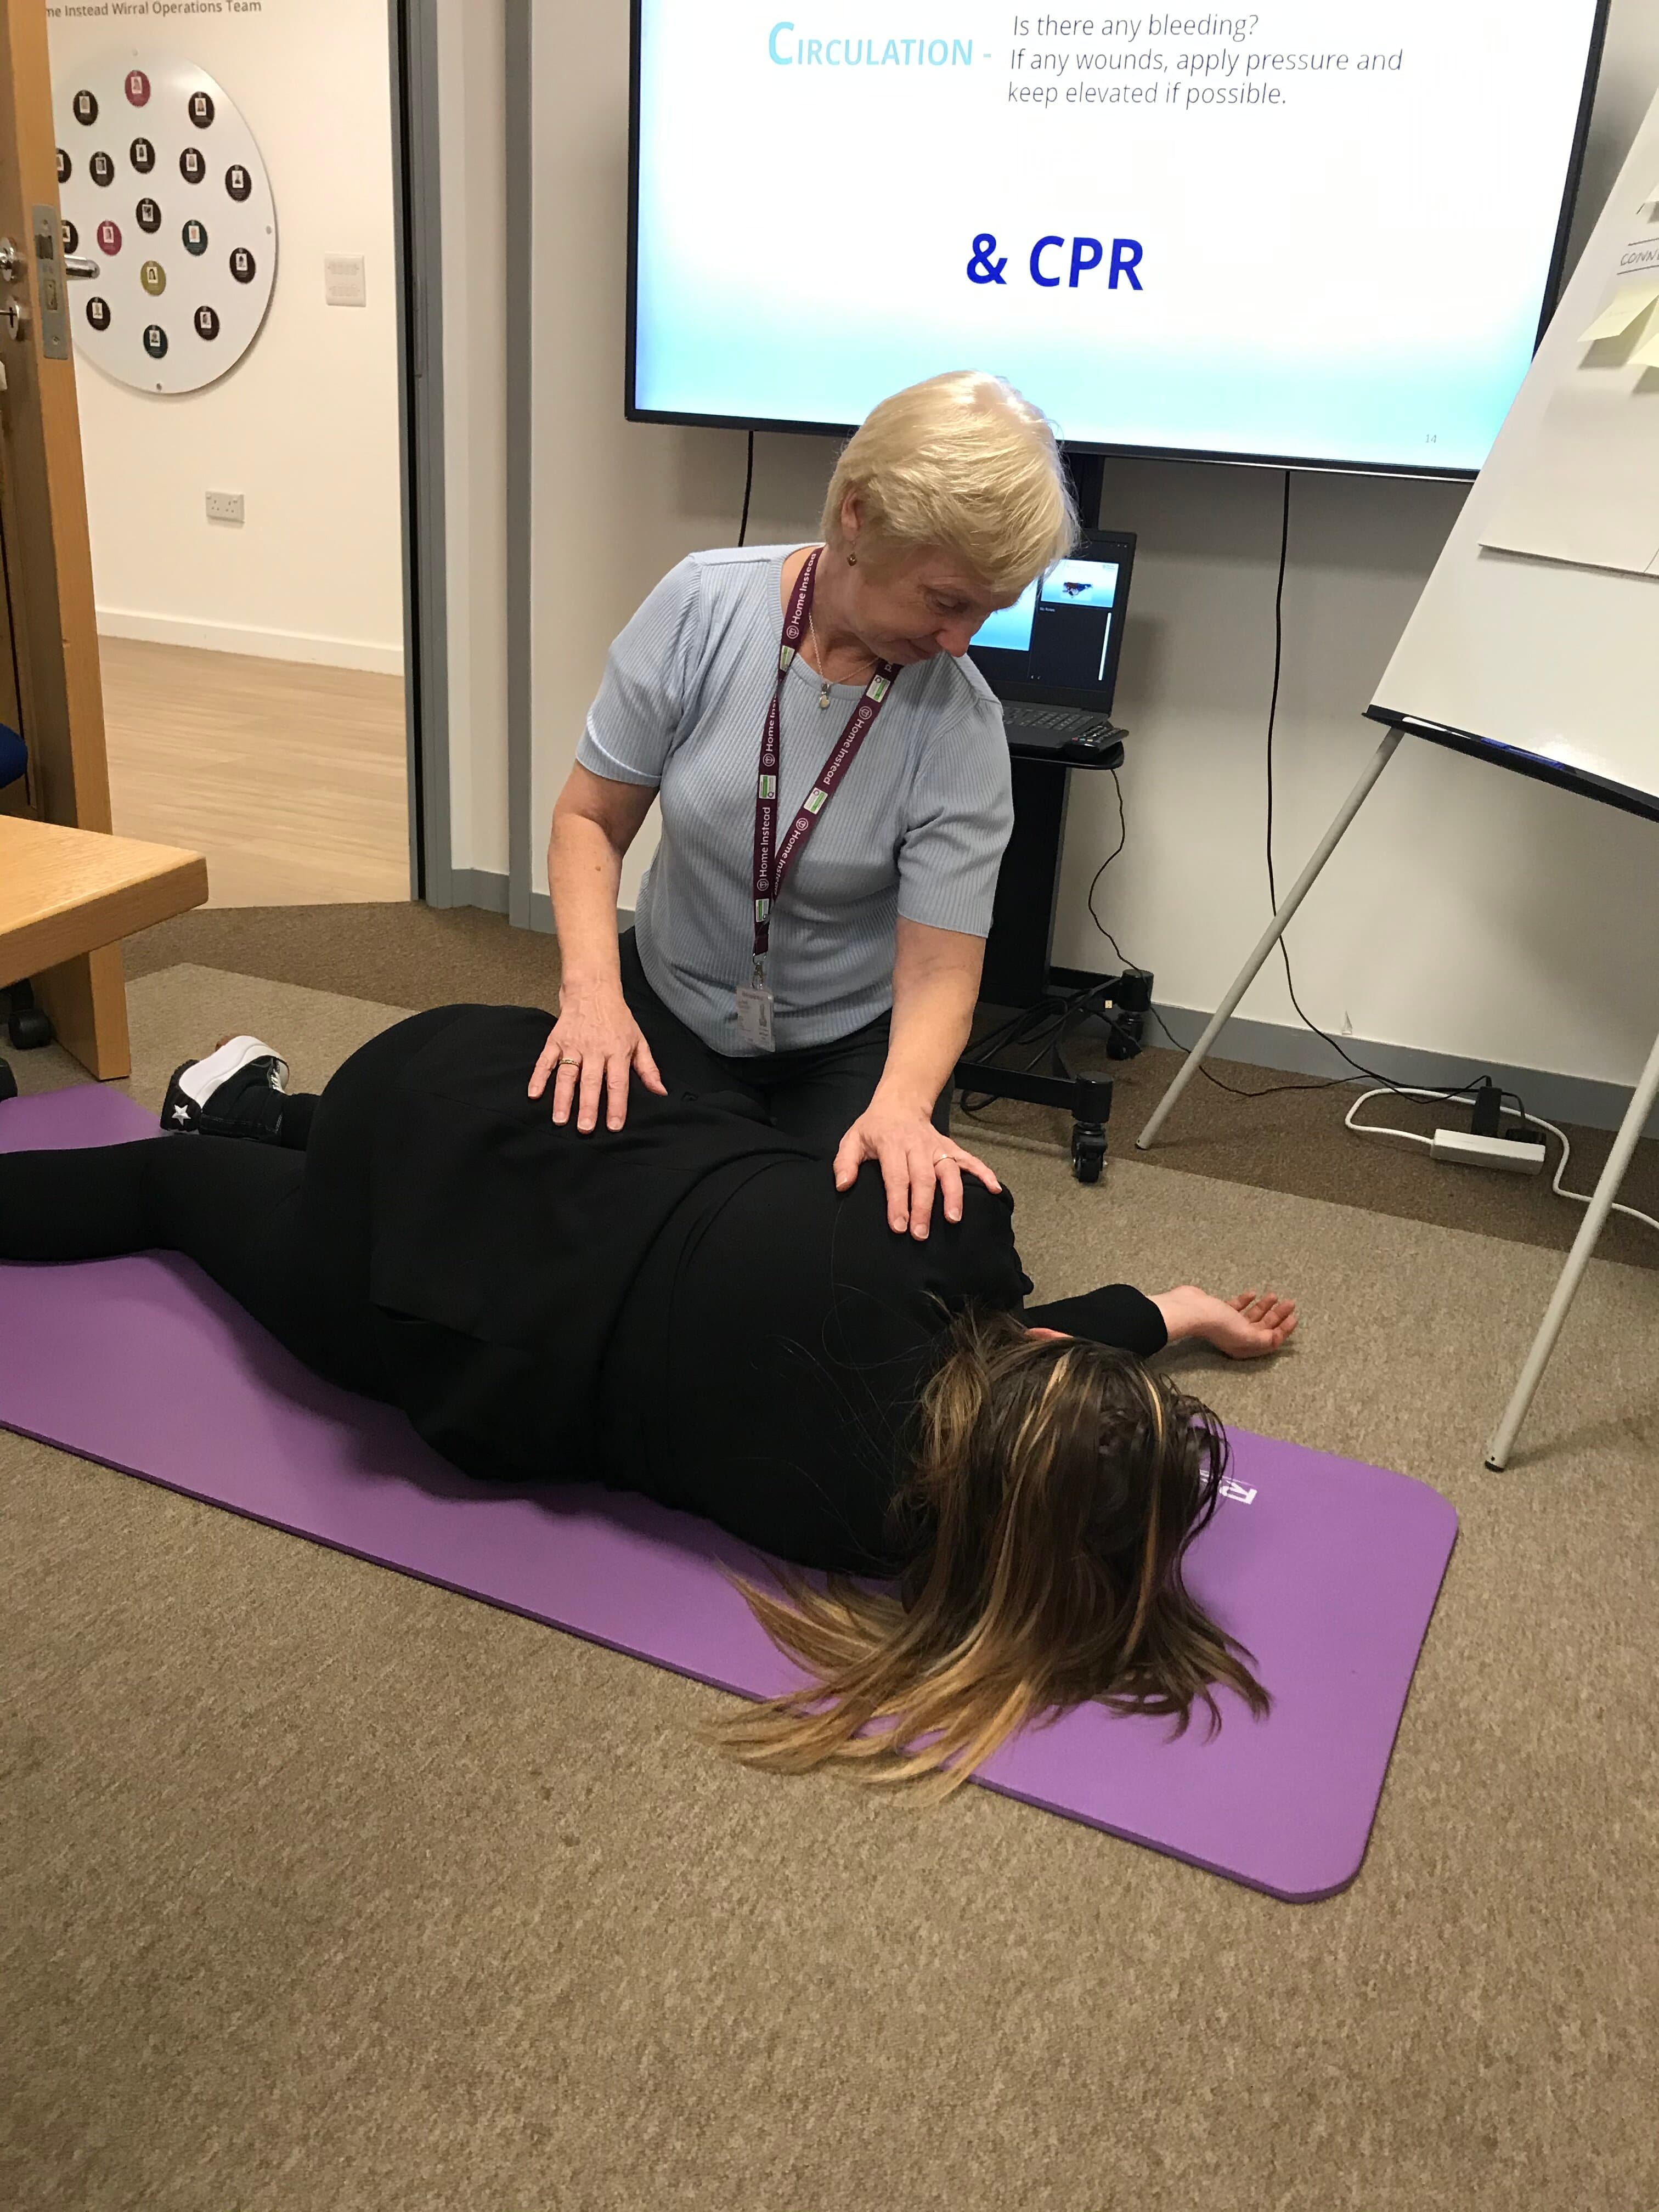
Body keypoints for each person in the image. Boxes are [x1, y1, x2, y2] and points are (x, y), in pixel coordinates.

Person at [0, 1017, 1297, 1795]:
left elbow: (1026, 1336)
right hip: (430, 1304)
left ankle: (263, 1112)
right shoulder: (874, 1528)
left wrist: (1168, 1311)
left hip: (490, 1079)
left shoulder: (953, 1227)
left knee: (368, 1153)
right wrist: (1171, 1316)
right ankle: (258, 1125)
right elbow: (1007, 1373)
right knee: (173, 1191)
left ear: (1049, 1359)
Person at [534, 370, 1078, 1245]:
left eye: (987, 613)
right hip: (672, 999)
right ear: (857, 517)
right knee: (611, 1229)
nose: (959, 642)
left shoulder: (961, 726)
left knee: (853, 1257)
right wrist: (592, 996)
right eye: (947, 603)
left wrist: (904, 1106)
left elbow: (940, 971)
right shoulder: (702, 607)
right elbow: (589, 819)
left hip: (848, 1042)